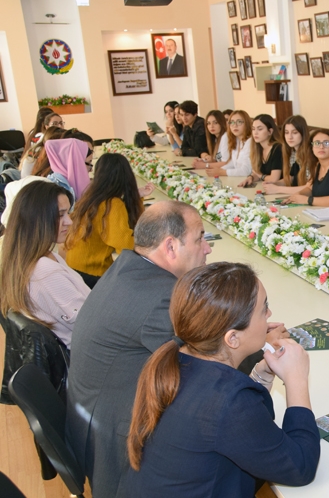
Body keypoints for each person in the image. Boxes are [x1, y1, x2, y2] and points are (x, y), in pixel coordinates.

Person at [66, 201, 219, 498]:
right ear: (171, 246)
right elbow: (204, 367)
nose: (208, 248)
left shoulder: (127, 268)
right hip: (114, 443)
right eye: (200, 238)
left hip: (90, 416)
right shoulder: (161, 297)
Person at [126, 262, 320, 495]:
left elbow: (248, 436)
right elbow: (300, 467)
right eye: (263, 308)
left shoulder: (178, 360)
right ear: (233, 339)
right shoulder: (228, 402)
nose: (269, 314)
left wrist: (260, 375)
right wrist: (297, 380)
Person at [0, 180, 90, 349]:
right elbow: (91, 325)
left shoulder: (30, 257)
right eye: (60, 215)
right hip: (88, 358)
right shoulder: (45, 272)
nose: (69, 221)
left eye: (68, 213)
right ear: (39, 219)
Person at [65, 153, 152, 288]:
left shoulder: (91, 198)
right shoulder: (112, 204)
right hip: (93, 274)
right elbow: (125, 246)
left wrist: (137, 196)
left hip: (76, 268)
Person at [284, 129, 329, 206]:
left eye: (326, 143)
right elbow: (310, 188)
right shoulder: (317, 165)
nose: (321, 147)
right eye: (317, 143)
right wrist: (296, 196)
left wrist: (307, 200)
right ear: (312, 147)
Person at [264, 115, 312, 195]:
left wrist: (277, 189)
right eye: (286, 133)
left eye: (295, 132)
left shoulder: (311, 154)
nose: (290, 137)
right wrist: (274, 184)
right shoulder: (292, 152)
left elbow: (310, 188)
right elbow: (291, 177)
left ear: (303, 133)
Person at [238, 114, 283, 187]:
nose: (255, 133)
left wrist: (261, 176)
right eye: (253, 129)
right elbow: (257, 173)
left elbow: (274, 179)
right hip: (267, 188)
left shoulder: (277, 148)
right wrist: (251, 178)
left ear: (270, 131)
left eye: (260, 129)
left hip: (280, 190)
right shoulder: (258, 148)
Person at [205, 109, 251, 178]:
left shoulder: (250, 142)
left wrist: (222, 172)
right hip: (240, 179)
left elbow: (245, 171)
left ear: (246, 124)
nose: (235, 125)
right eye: (232, 122)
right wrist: (219, 169)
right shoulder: (236, 140)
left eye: (239, 122)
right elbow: (233, 163)